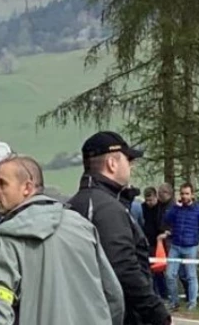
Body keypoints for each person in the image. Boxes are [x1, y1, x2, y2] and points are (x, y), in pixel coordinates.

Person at [0, 154, 124, 324]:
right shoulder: (82, 227)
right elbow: (113, 296)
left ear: (27, 188)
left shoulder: (7, 240)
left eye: (2, 184)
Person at [68, 131, 171, 325]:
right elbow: (123, 267)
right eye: (128, 159)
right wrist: (156, 312)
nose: (131, 166)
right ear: (112, 164)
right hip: (114, 315)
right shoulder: (106, 208)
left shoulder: (76, 203)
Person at [161, 183, 199, 312]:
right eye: (182, 193)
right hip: (176, 245)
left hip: (191, 247)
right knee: (170, 275)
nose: (184, 196)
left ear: (192, 195)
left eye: (187, 193)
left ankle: (192, 304)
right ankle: (174, 302)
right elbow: (166, 220)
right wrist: (174, 208)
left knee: (191, 276)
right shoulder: (176, 208)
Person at [141, 187, 168, 299]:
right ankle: (152, 294)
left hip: (159, 243)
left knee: (159, 271)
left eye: (151, 200)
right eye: (147, 200)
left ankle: (163, 294)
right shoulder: (142, 208)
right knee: (148, 271)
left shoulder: (161, 209)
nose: (149, 203)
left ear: (156, 197)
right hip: (147, 241)